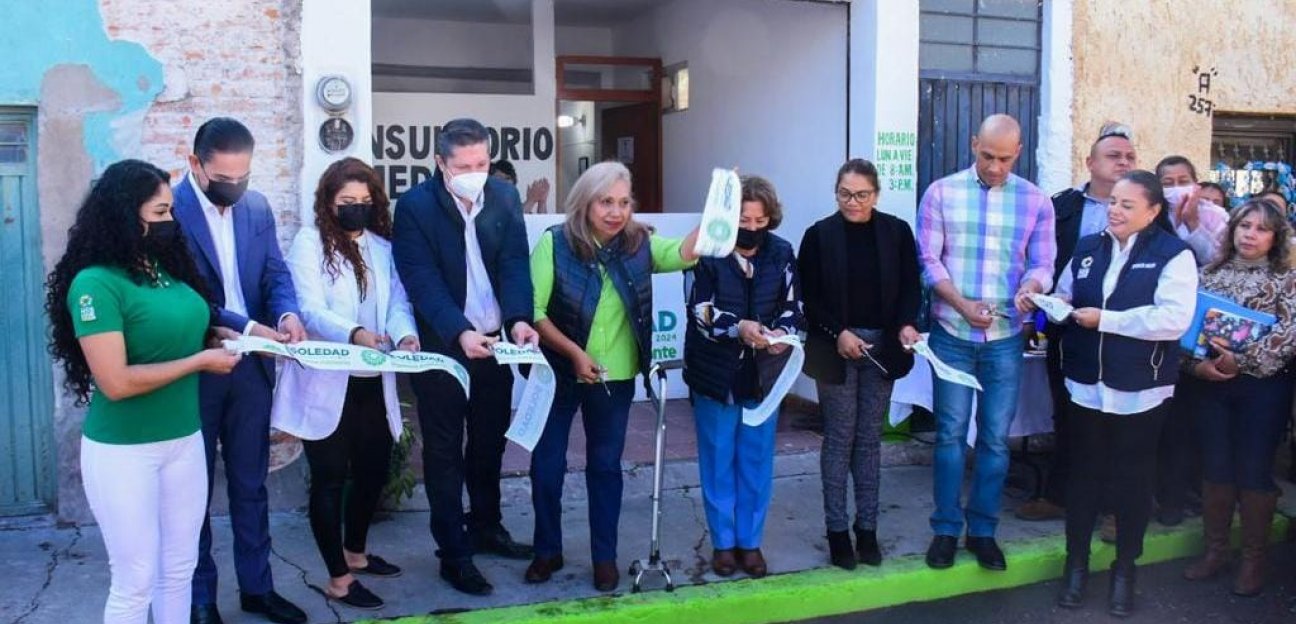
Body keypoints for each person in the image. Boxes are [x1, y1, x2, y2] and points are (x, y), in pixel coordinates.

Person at [46, 159, 242, 623]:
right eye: (159, 213)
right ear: (124, 214)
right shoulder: (95, 284)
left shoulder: (162, 269)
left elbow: (173, 328)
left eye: (170, 211)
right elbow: (115, 382)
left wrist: (211, 335)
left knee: (178, 570)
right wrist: (199, 361)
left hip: (183, 441)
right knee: (135, 579)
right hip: (124, 450)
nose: (170, 221)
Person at [526, 161, 701, 591]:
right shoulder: (554, 243)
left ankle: (604, 557)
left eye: (624, 202)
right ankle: (547, 550)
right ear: (585, 203)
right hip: (558, 371)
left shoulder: (640, 244)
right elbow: (535, 312)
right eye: (606, 201)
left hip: (615, 377)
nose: (616, 212)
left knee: (605, 467)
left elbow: (684, 252)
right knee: (546, 466)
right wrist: (573, 353)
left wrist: (721, 207)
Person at [391, 118, 539, 596]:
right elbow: (420, 279)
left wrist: (519, 318)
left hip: (496, 343)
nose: (475, 174)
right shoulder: (414, 207)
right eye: (464, 166)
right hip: (444, 349)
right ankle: (453, 553)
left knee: (489, 442)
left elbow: (514, 263)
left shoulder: (504, 197)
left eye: (482, 163)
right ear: (440, 163)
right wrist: (458, 331)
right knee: (444, 451)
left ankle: (487, 526)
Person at [173, 118, 308, 624]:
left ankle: (258, 588)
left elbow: (275, 272)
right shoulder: (169, 211)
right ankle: (200, 599)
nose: (235, 186)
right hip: (197, 365)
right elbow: (187, 296)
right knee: (193, 492)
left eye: (243, 176)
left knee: (252, 485)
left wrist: (287, 314)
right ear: (195, 164)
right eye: (224, 178)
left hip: (251, 370)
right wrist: (248, 325)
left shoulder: (256, 207)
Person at [270, 158, 419, 610]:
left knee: (373, 470)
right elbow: (309, 308)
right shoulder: (310, 242)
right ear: (328, 203)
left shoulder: (382, 247)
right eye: (346, 201)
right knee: (330, 479)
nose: (357, 208)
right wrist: (355, 333)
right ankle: (338, 578)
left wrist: (405, 335)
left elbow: (398, 303)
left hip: (374, 378)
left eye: (364, 200)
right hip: (329, 379)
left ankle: (356, 553)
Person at [1052, 170, 1198, 617]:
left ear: (1152, 212)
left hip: (1141, 389)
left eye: (1127, 204)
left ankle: (1124, 570)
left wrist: (1108, 320)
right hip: (1086, 385)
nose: (1114, 210)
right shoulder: (1087, 247)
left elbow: (1173, 320)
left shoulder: (1174, 254)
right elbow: (1066, 296)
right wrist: (1047, 305)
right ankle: (1075, 564)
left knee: (1133, 482)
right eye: (1113, 201)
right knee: (1084, 478)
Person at [916, 114, 1056, 572]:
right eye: (987, 156)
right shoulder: (941, 193)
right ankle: (944, 530)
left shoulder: (1036, 201)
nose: (995, 167)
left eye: (1005, 159)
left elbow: (1043, 263)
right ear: (974, 143)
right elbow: (928, 261)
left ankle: (982, 532)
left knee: (995, 440)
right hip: (952, 333)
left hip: (1005, 336)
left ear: (1019, 153)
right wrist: (960, 304)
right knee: (950, 436)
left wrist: (1030, 288)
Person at [799, 159, 920, 569]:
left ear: (876, 195)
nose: (853, 202)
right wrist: (839, 333)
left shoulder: (896, 232)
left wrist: (906, 325)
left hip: (883, 349)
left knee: (868, 440)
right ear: (836, 193)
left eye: (862, 194)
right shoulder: (818, 235)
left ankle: (867, 529)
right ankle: (837, 532)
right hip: (834, 347)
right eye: (845, 194)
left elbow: (910, 287)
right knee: (839, 437)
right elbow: (809, 297)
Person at [684, 175, 804, 578]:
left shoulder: (782, 252)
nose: (751, 228)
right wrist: (739, 328)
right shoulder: (707, 252)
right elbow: (700, 311)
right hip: (715, 372)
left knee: (756, 459)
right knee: (717, 458)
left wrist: (781, 334)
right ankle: (722, 543)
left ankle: (750, 542)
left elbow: (794, 305)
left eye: (760, 220)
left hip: (763, 374)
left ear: (770, 219)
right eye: (743, 219)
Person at [1019, 122, 1136, 523]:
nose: (1123, 162)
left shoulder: (1149, 210)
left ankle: (1116, 508)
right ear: (1090, 162)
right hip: (1068, 330)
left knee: (1118, 419)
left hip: (1126, 333)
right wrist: (1036, 318)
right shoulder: (1062, 207)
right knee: (1069, 414)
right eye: (1113, 156)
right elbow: (1043, 264)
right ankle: (1060, 496)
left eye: (1129, 157)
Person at [1179, 198, 1296, 598]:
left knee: (1253, 468)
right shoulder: (1207, 274)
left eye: (1262, 229)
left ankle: (1253, 560)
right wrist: (1196, 367)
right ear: (1232, 230)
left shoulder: (1287, 279)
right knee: (1215, 465)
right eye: (1245, 225)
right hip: (1209, 383)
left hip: (1263, 388)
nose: (1251, 234)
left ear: (1276, 237)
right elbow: (1183, 326)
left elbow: (1289, 334)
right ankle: (1215, 551)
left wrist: (1241, 360)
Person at [1155, 155, 1229, 265]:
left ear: (1195, 184)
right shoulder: (1152, 214)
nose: (1176, 188)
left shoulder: (1215, 214)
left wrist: (1193, 222)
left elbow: (1217, 259)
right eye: (1168, 184)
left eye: (1183, 182)